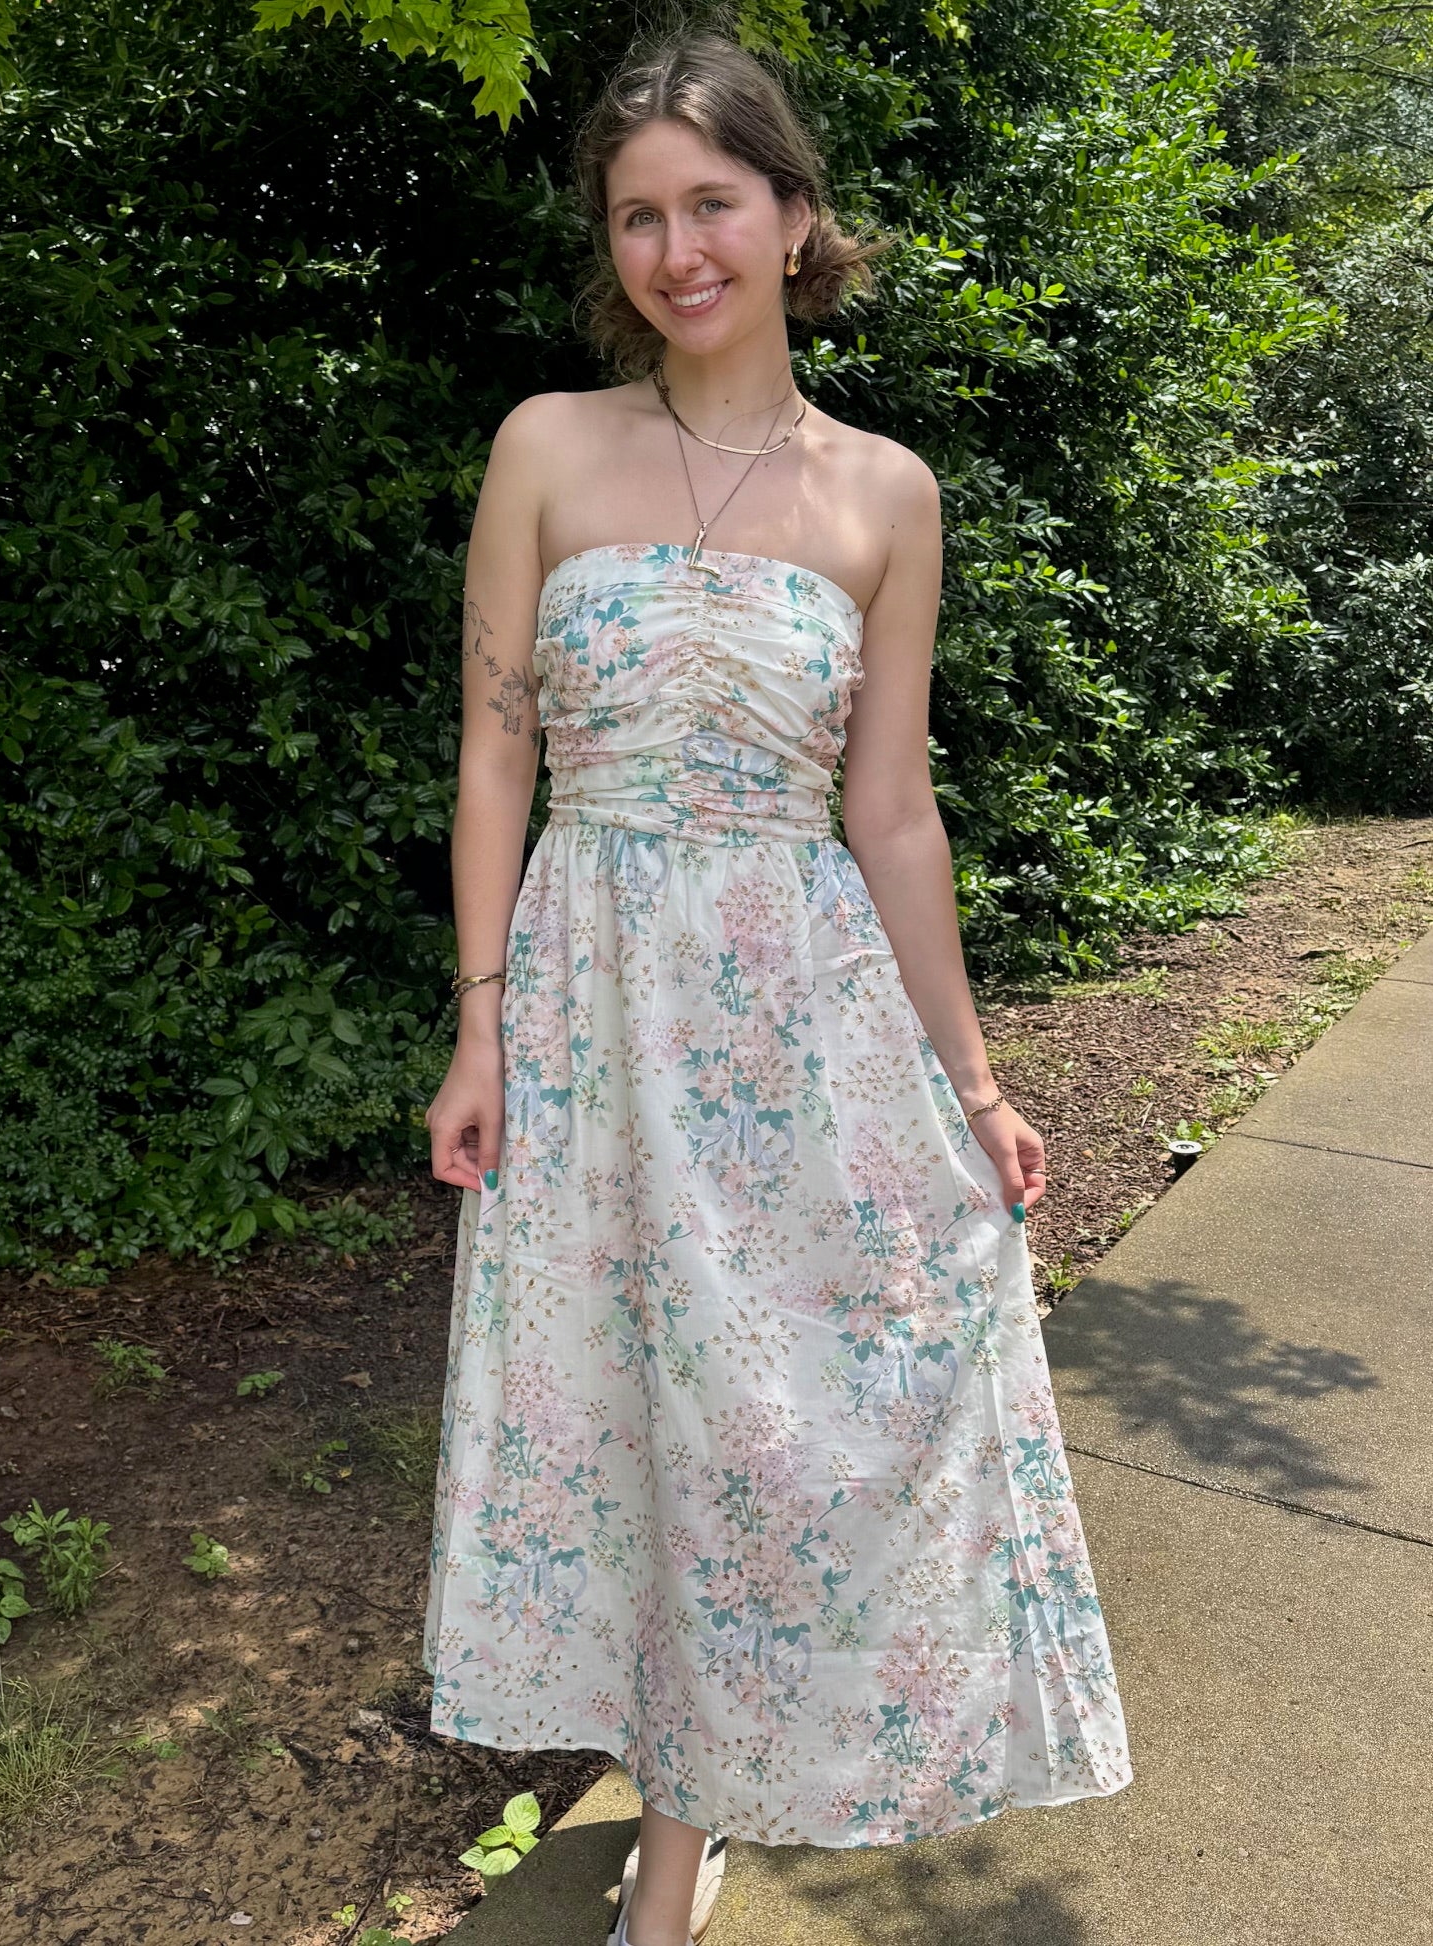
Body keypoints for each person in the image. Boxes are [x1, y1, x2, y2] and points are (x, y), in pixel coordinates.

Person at [422, 22, 1133, 1946]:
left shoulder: (886, 491)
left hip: (799, 1025)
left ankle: (695, 1828)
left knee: (777, 1427)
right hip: (592, 1018)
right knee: (629, 1421)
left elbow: (890, 813)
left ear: (797, 217)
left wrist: (974, 1084)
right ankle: (676, 1833)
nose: (680, 250)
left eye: (715, 203)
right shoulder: (546, 446)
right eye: (639, 216)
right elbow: (495, 749)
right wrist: (481, 1025)